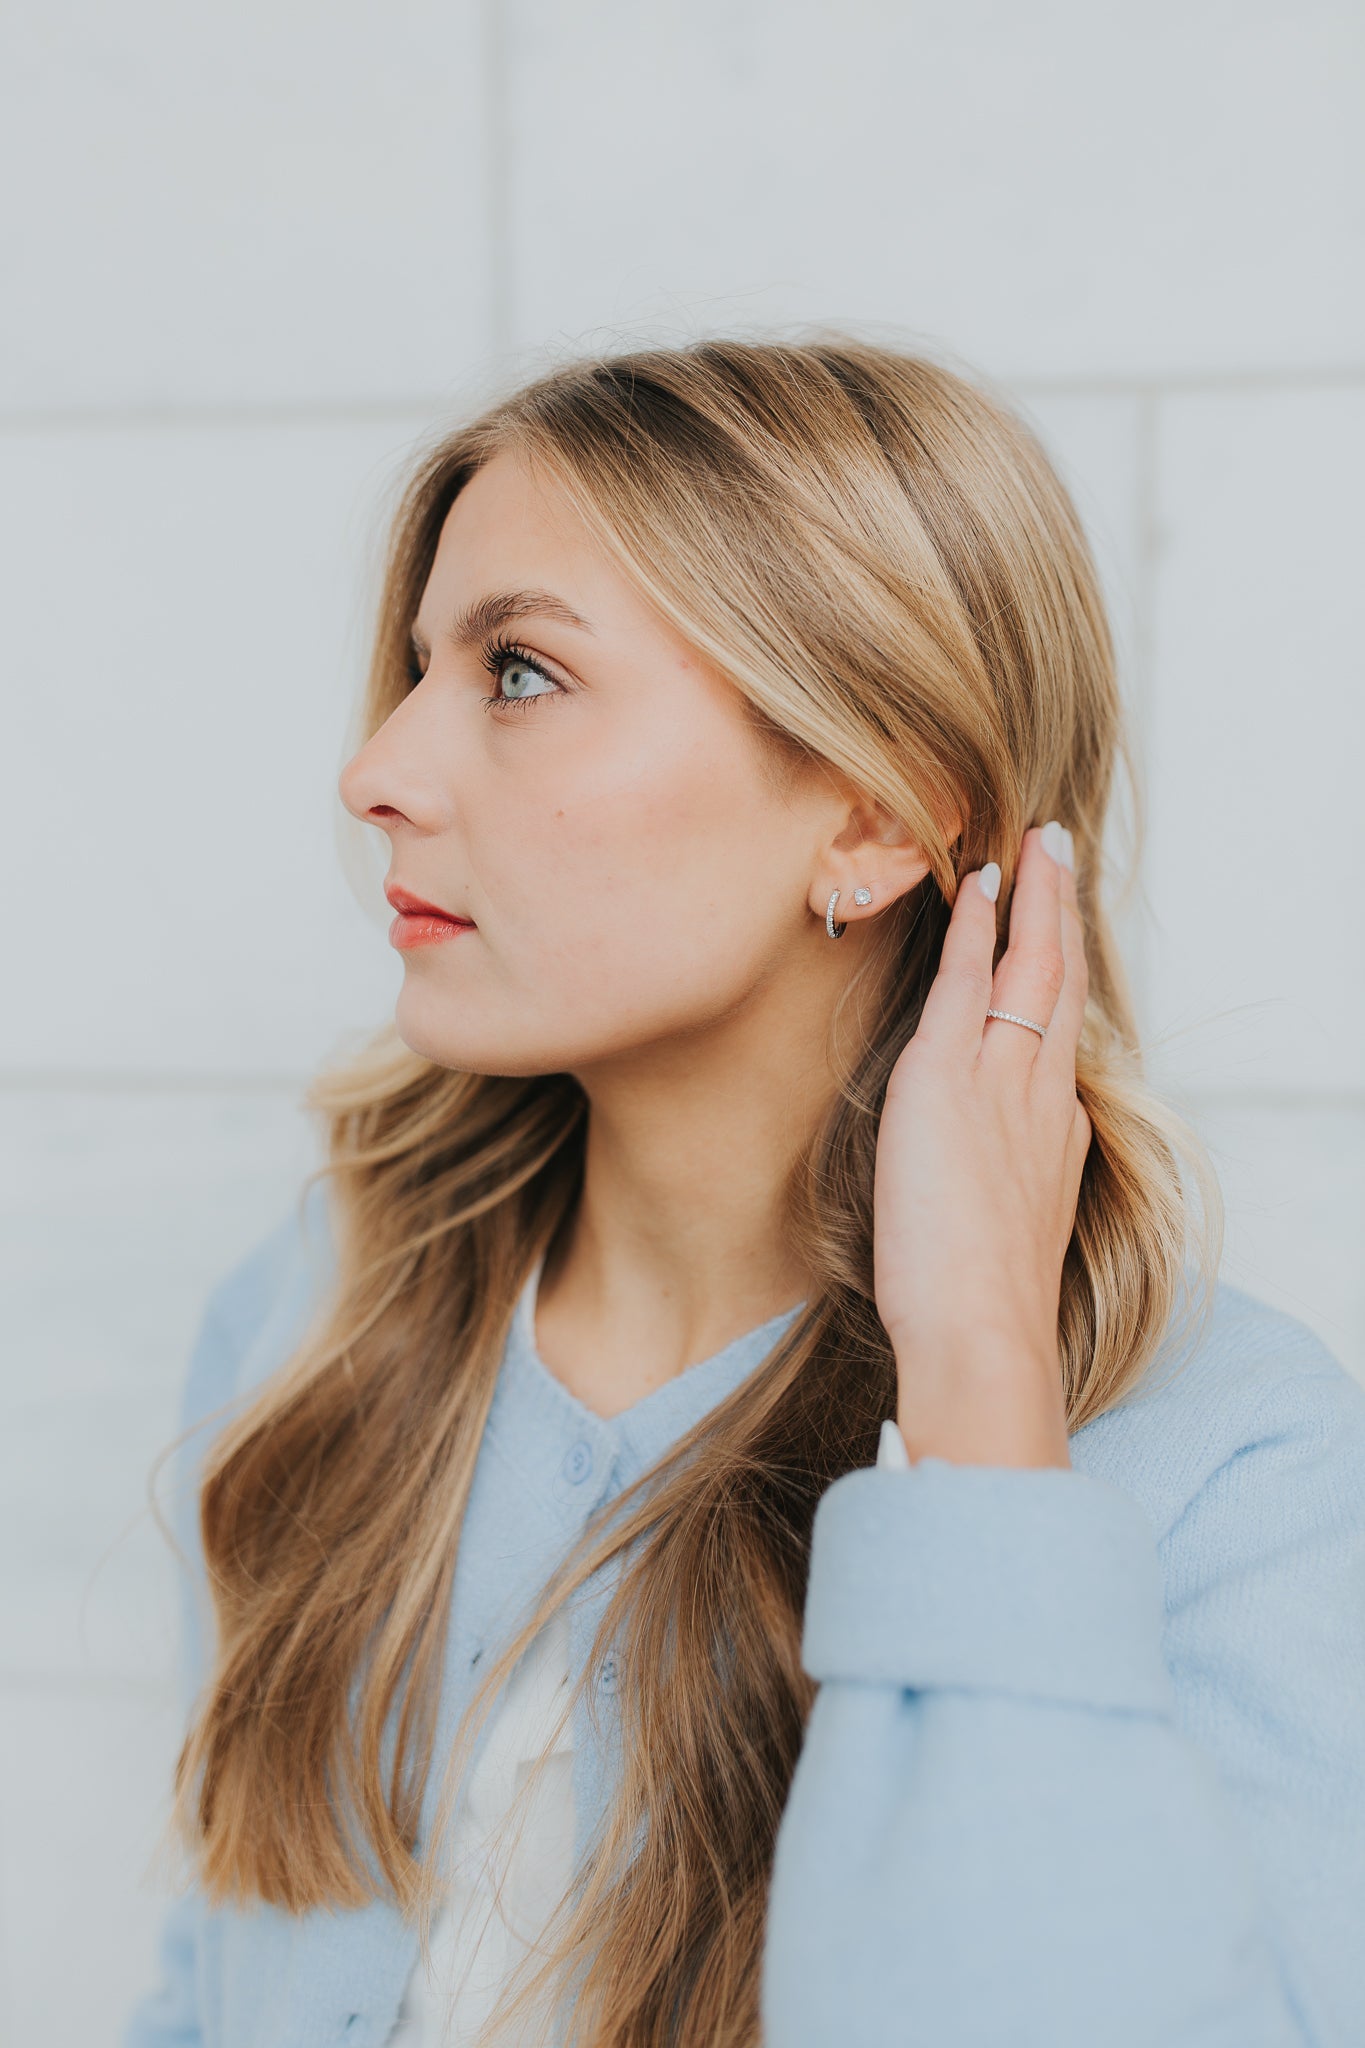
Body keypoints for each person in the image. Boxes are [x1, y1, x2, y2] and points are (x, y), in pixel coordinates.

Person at [122, 336, 1365, 2048]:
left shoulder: (1230, 1472)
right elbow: (207, 1991)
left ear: (872, 819)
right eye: (419, 667)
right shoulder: (319, 1312)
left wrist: (980, 1415)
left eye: (520, 673)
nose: (377, 771)